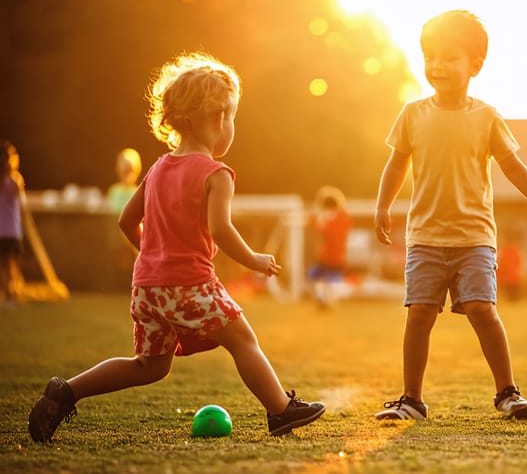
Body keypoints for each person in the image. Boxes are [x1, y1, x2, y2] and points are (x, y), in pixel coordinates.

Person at [27, 51, 325, 443]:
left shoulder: (158, 168)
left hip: (147, 288)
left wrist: (151, 260)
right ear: (218, 118)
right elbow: (221, 229)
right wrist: (253, 259)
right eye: (232, 116)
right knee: (242, 340)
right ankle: (280, 410)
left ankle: (67, 391)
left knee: (149, 366)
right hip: (191, 284)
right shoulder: (216, 174)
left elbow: (126, 221)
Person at [373, 10, 527, 421]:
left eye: (449, 57)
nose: (437, 66)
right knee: (418, 314)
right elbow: (396, 165)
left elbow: (512, 166)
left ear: (475, 64)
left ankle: (508, 393)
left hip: (474, 238)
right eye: (430, 57)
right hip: (424, 239)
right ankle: (411, 400)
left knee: (482, 310)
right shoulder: (412, 114)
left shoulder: (487, 117)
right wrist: (383, 205)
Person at [307, 185, 353, 306]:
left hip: (328, 257)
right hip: (338, 257)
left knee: (319, 277)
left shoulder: (329, 219)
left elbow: (320, 227)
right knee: (325, 279)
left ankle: (325, 299)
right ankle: (326, 299)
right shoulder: (344, 218)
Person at [0, 140, 25, 306]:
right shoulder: (13, 180)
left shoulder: (10, 182)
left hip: (6, 231)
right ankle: (10, 295)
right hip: (10, 231)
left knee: (5, 266)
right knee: (10, 266)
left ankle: (9, 295)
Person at [107, 147, 143, 215]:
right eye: (125, 170)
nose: (128, 175)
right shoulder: (114, 191)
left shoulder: (140, 194)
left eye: (130, 170)